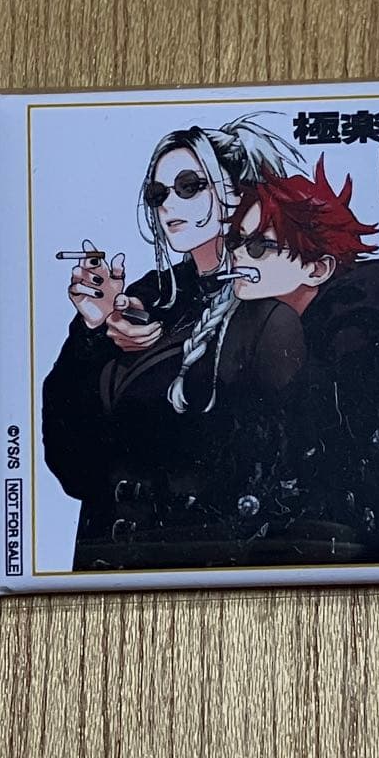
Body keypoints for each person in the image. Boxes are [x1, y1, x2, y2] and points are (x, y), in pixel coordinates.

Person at [42, 115, 305, 570]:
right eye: (158, 194)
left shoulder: (273, 301)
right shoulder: (145, 296)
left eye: (189, 186)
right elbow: (70, 462)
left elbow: (278, 466)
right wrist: (90, 331)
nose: (168, 205)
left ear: (237, 192)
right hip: (107, 559)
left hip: (210, 561)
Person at [221, 156, 379, 564]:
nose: (239, 256)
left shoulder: (370, 358)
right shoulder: (269, 339)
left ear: (317, 269)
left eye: (259, 246)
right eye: (235, 242)